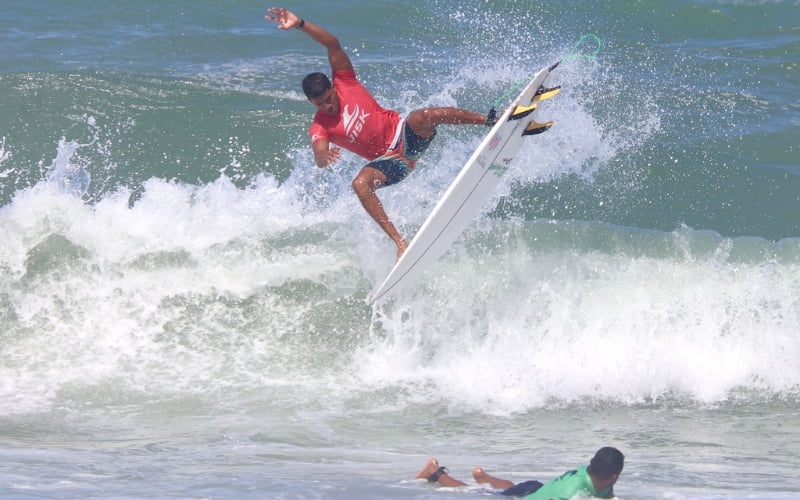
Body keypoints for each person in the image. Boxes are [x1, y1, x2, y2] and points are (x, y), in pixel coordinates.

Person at [265, 7, 495, 261]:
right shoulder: (320, 126)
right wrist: (323, 156)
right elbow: (319, 154)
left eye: (329, 99)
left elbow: (332, 43)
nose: (328, 106)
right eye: (320, 104)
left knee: (425, 115)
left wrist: (300, 24)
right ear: (311, 103)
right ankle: (400, 243)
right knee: (359, 184)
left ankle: (491, 121)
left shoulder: (345, 81)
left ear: (332, 88)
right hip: (391, 163)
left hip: (408, 137)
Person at [414, 447, 624, 499]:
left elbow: (607, 495)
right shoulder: (573, 491)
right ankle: (434, 472)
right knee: (470, 493)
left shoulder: (596, 473)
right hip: (534, 496)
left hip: (535, 488)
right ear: (614, 475)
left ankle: (484, 477)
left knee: (515, 489)